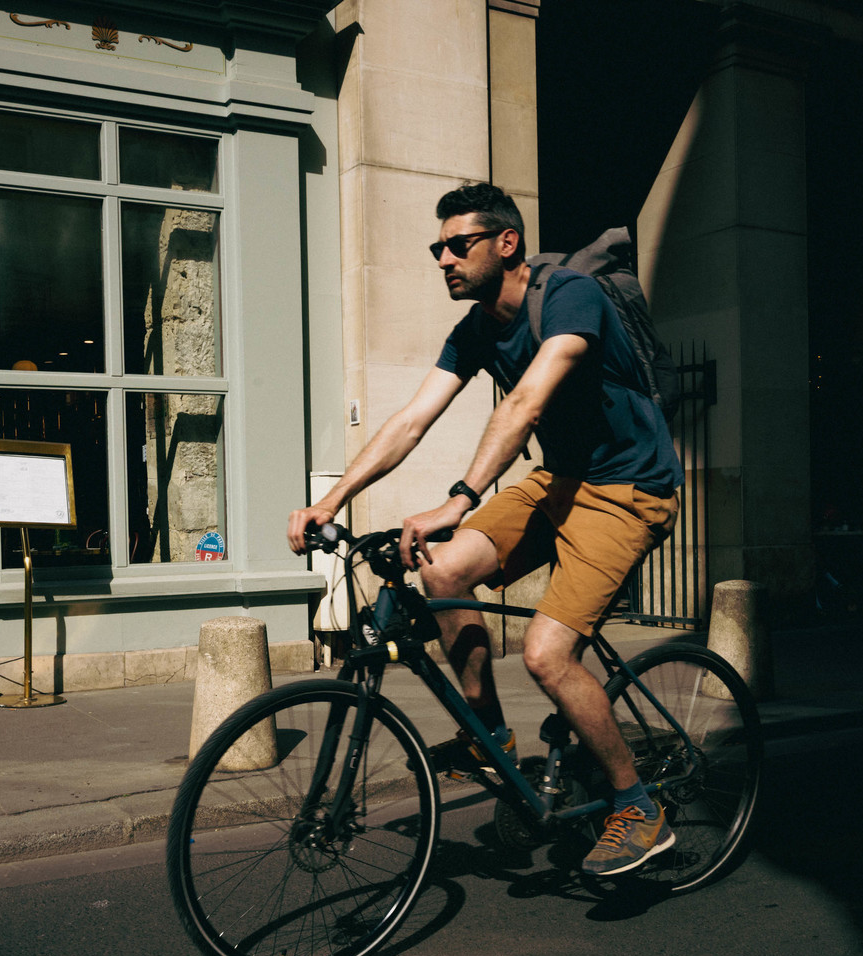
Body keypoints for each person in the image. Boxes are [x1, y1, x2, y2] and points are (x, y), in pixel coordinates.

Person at [287, 183, 685, 876]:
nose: (443, 257)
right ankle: (488, 735)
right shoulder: (475, 328)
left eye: (457, 244)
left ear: (506, 243)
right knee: (441, 571)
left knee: (546, 654)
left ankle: (636, 804)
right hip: (559, 480)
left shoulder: (568, 296)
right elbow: (412, 419)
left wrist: (461, 496)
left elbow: (528, 400)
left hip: (627, 488)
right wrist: (334, 499)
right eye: (436, 247)